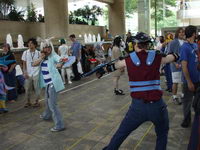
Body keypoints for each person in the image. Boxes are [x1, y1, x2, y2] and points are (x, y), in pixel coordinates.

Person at [102, 32, 179, 150]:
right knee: (162, 135)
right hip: (157, 106)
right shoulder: (157, 57)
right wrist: (175, 54)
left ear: (135, 44)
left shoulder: (128, 60)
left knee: (121, 133)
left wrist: (105, 69)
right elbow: (172, 57)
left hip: (137, 107)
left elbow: (114, 66)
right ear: (147, 45)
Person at [33, 38, 65, 132]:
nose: (48, 48)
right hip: (47, 84)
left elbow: (60, 59)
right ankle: (47, 115)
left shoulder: (53, 55)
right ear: (42, 48)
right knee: (47, 101)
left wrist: (60, 63)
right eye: (45, 47)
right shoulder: (42, 57)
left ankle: (59, 125)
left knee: (53, 104)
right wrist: (41, 58)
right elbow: (34, 64)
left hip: (53, 83)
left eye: (49, 46)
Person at [180, 25, 200, 128]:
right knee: (187, 101)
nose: (197, 34)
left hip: (198, 78)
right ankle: (186, 120)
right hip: (189, 80)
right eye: (196, 32)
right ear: (193, 34)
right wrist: (189, 81)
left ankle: (197, 119)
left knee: (197, 101)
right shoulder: (184, 47)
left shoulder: (196, 45)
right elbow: (184, 66)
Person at [168, 28, 185, 105]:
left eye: (183, 32)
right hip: (176, 65)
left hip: (184, 65)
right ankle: (174, 96)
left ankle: (183, 95)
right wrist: (175, 63)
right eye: (180, 32)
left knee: (183, 81)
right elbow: (169, 54)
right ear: (177, 33)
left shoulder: (185, 42)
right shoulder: (172, 42)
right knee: (175, 82)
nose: (182, 33)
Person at [22, 38, 41, 108]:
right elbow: (23, 63)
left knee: (37, 88)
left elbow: (40, 62)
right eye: (29, 43)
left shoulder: (39, 53)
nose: (29, 44)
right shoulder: (25, 52)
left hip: (36, 72)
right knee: (27, 89)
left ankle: (37, 101)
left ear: (35, 45)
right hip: (28, 73)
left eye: (31, 43)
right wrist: (24, 72)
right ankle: (28, 101)